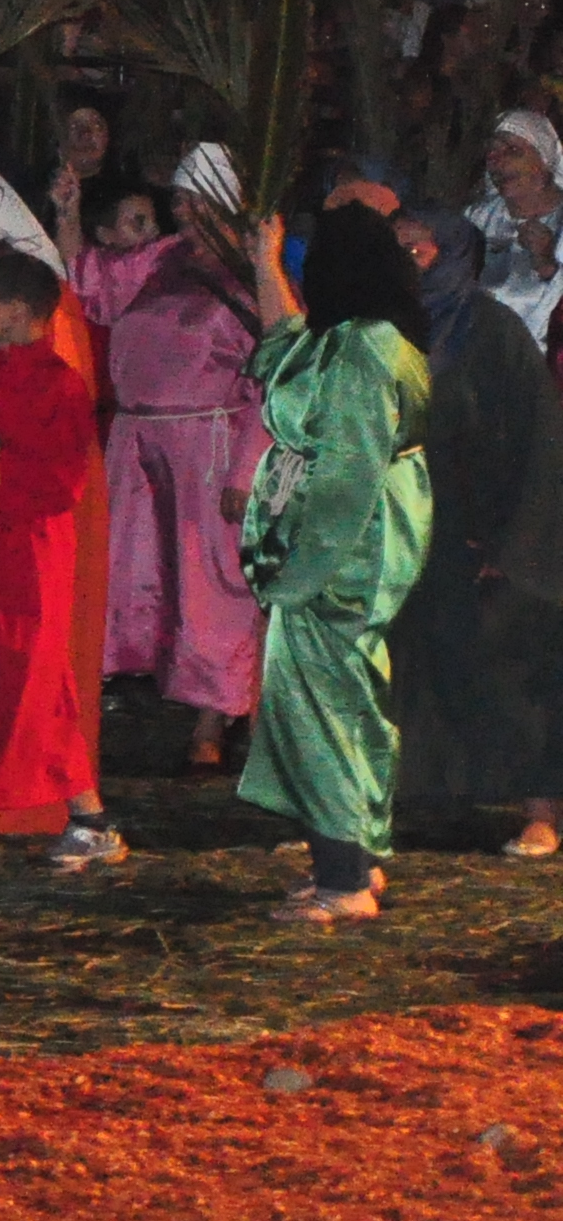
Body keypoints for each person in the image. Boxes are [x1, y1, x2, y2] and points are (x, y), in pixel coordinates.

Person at [236, 203, 434, 928]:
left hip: (344, 553)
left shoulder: (361, 353)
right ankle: (355, 858)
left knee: (319, 703)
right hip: (375, 536)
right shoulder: (370, 339)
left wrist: (296, 572)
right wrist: (265, 260)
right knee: (350, 694)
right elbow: (287, 347)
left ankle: (342, 877)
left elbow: (346, 476)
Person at [63, 145, 269, 770]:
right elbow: (91, 288)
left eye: (195, 198)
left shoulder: (250, 274)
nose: (182, 210)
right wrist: (68, 212)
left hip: (208, 442)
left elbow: (274, 375)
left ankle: (218, 716)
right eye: (178, 198)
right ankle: (165, 699)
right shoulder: (161, 259)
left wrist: (247, 466)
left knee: (214, 584)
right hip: (139, 440)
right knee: (141, 576)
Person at [383, 209, 563, 859]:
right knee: (414, 668)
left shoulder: (494, 333)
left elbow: (536, 443)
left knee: (513, 672)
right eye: (395, 249)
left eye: (419, 250)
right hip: (410, 527)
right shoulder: (389, 330)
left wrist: (514, 545)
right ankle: (414, 800)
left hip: (486, 535)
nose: (405, 262)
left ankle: (541, 812)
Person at [0, 250, 105, 855]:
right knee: (26, 679)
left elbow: (63, 485)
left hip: (30, 553)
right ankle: (88, 815)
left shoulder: (59, 384)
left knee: (17, 676)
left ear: (19, 311)